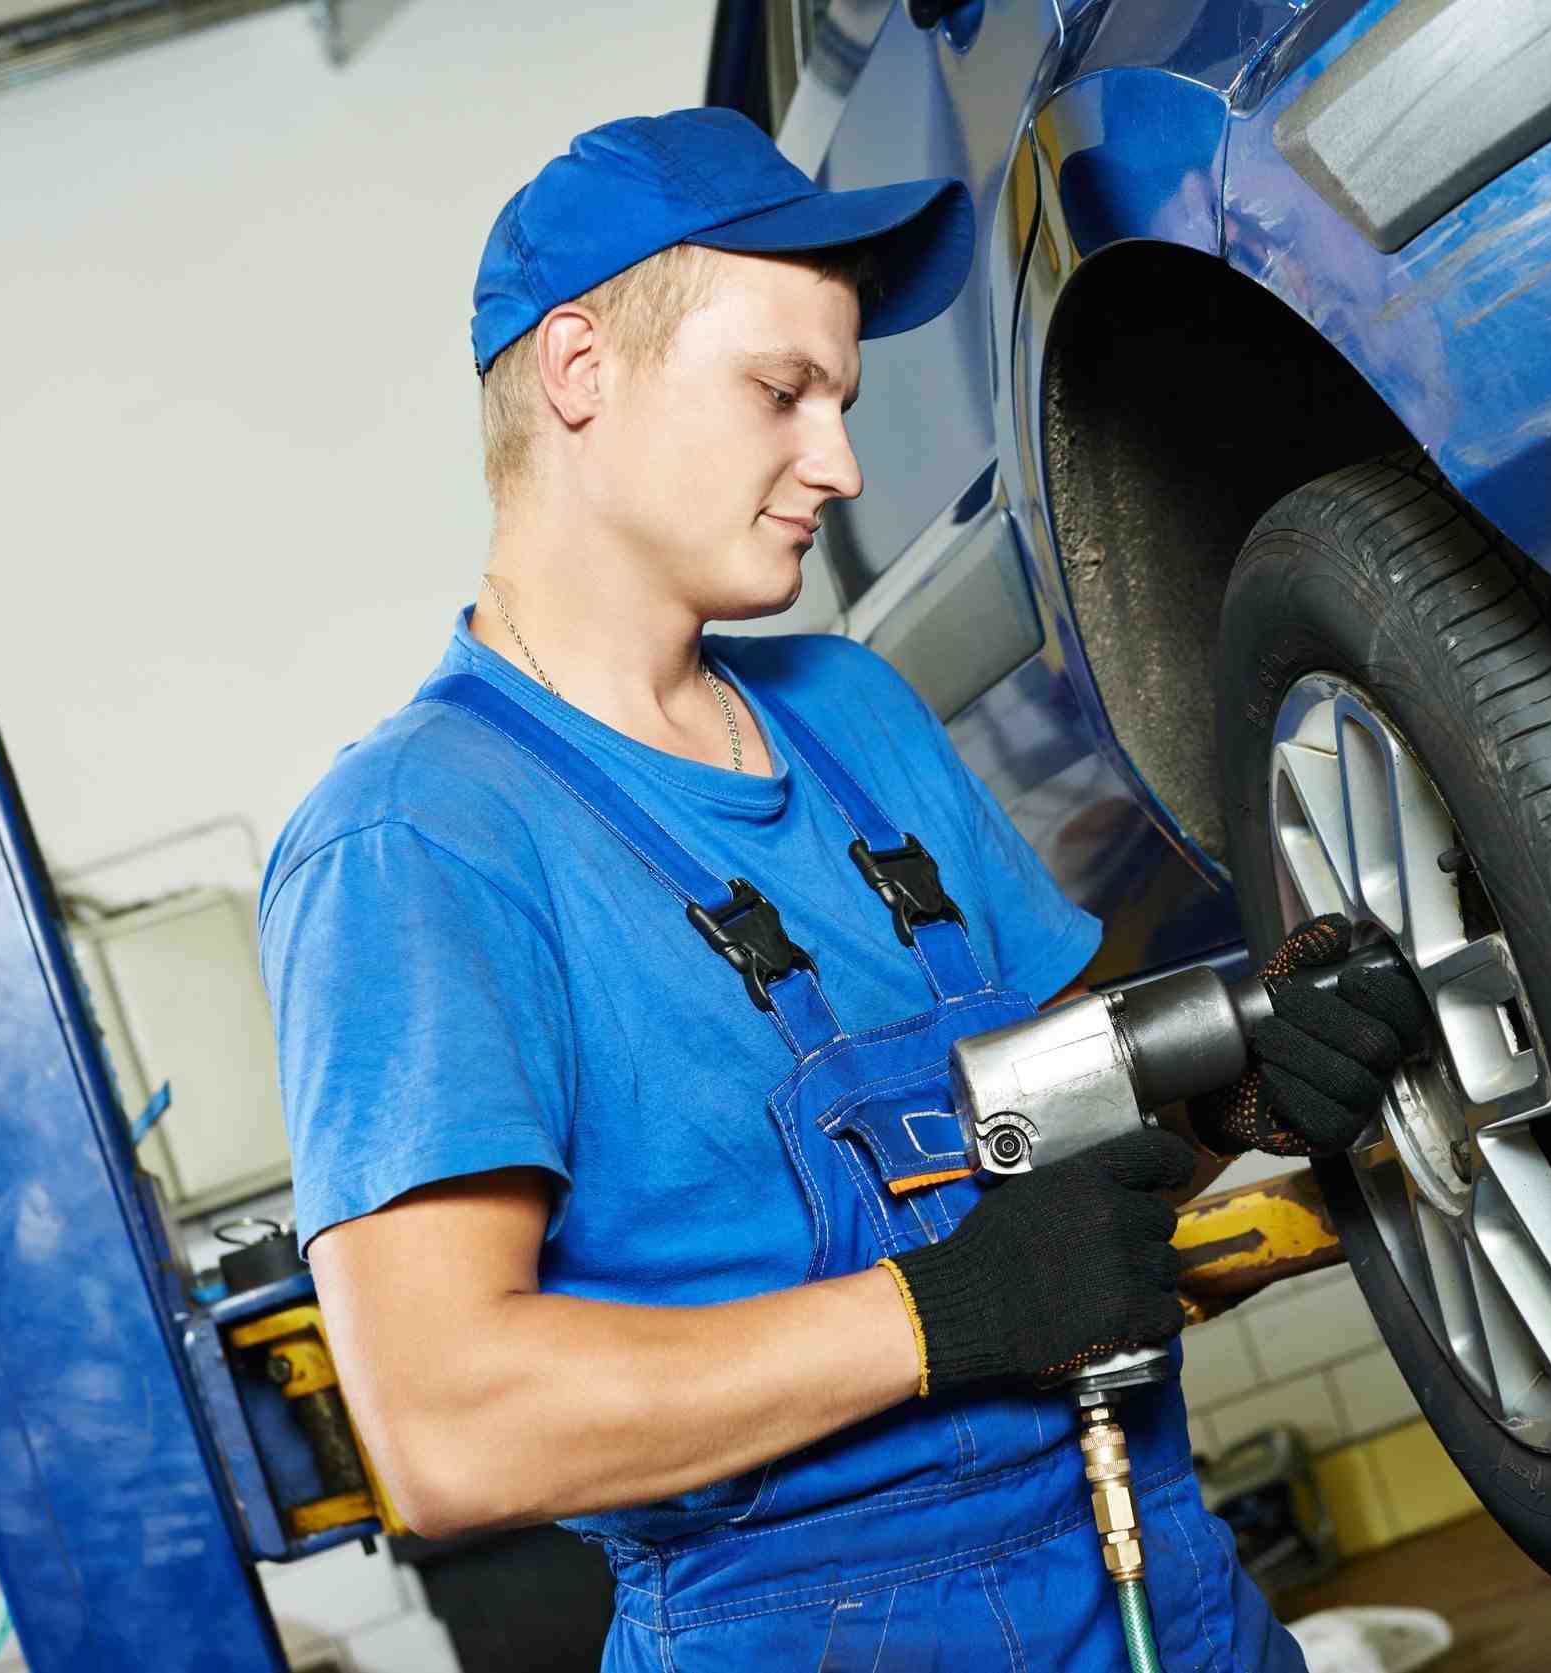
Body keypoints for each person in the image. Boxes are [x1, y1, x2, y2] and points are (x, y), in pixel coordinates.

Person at [258, 109, 1427, 1671]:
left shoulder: (854, 715)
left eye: (845, 400)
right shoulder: (415, 839)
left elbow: (1057, 1204)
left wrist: (1239, 1093)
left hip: (1153, 1584)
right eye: (781, 393)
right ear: (580, 367)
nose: (842, 464)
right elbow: (450, 1427)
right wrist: (935, 1318)